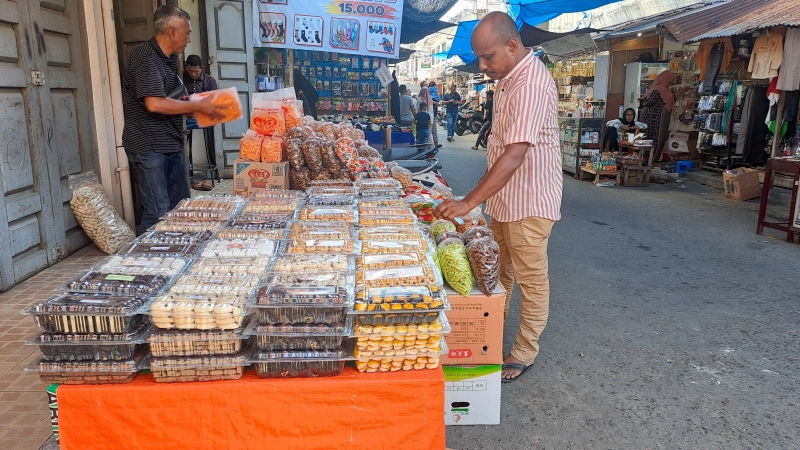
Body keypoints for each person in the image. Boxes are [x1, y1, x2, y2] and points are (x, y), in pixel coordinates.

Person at [435, 11, 562, 383]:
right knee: (499, 272)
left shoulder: (531, 82)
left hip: (530, 201)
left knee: (531, 277)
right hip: (506, 200)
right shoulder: (508, 78)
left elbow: (515, 153)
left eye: (488, 56)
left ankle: (525, 350)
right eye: (479, 58)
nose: (483, 65)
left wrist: (468, 202)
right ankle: (489, 335)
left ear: (512, 45)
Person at [122, 6, 226, 234]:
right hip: (148, 145)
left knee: (180, 206)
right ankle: (150, 263)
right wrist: (197, 105)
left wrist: (202, 109)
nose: (189, 39)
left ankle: (176, 256)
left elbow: (172, 101)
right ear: (171, 32)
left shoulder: (169, 60)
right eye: (186, 33)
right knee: (157, 211)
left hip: (170, 143)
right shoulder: (145, 57)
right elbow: (155, 103)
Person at [183, 54, 218, 191]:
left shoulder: (209, 81)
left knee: (208, 131)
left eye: (196, 71)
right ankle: (188, 170)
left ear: (202, 68)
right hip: (187, 118)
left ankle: (211, 172)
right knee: (181, 135)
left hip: (204, 118)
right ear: (186, 68)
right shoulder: (181, 80)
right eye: (190, 71)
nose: (193, 74)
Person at [418, 80, 441, 148]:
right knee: (428, 131)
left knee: (431, 130)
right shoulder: (422, 97)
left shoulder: (430, 94)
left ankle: (433, 144)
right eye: (425, 85)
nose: (427, 86)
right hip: (426, 117)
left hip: (432, 115)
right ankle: (429, 145)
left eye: (427, 84)